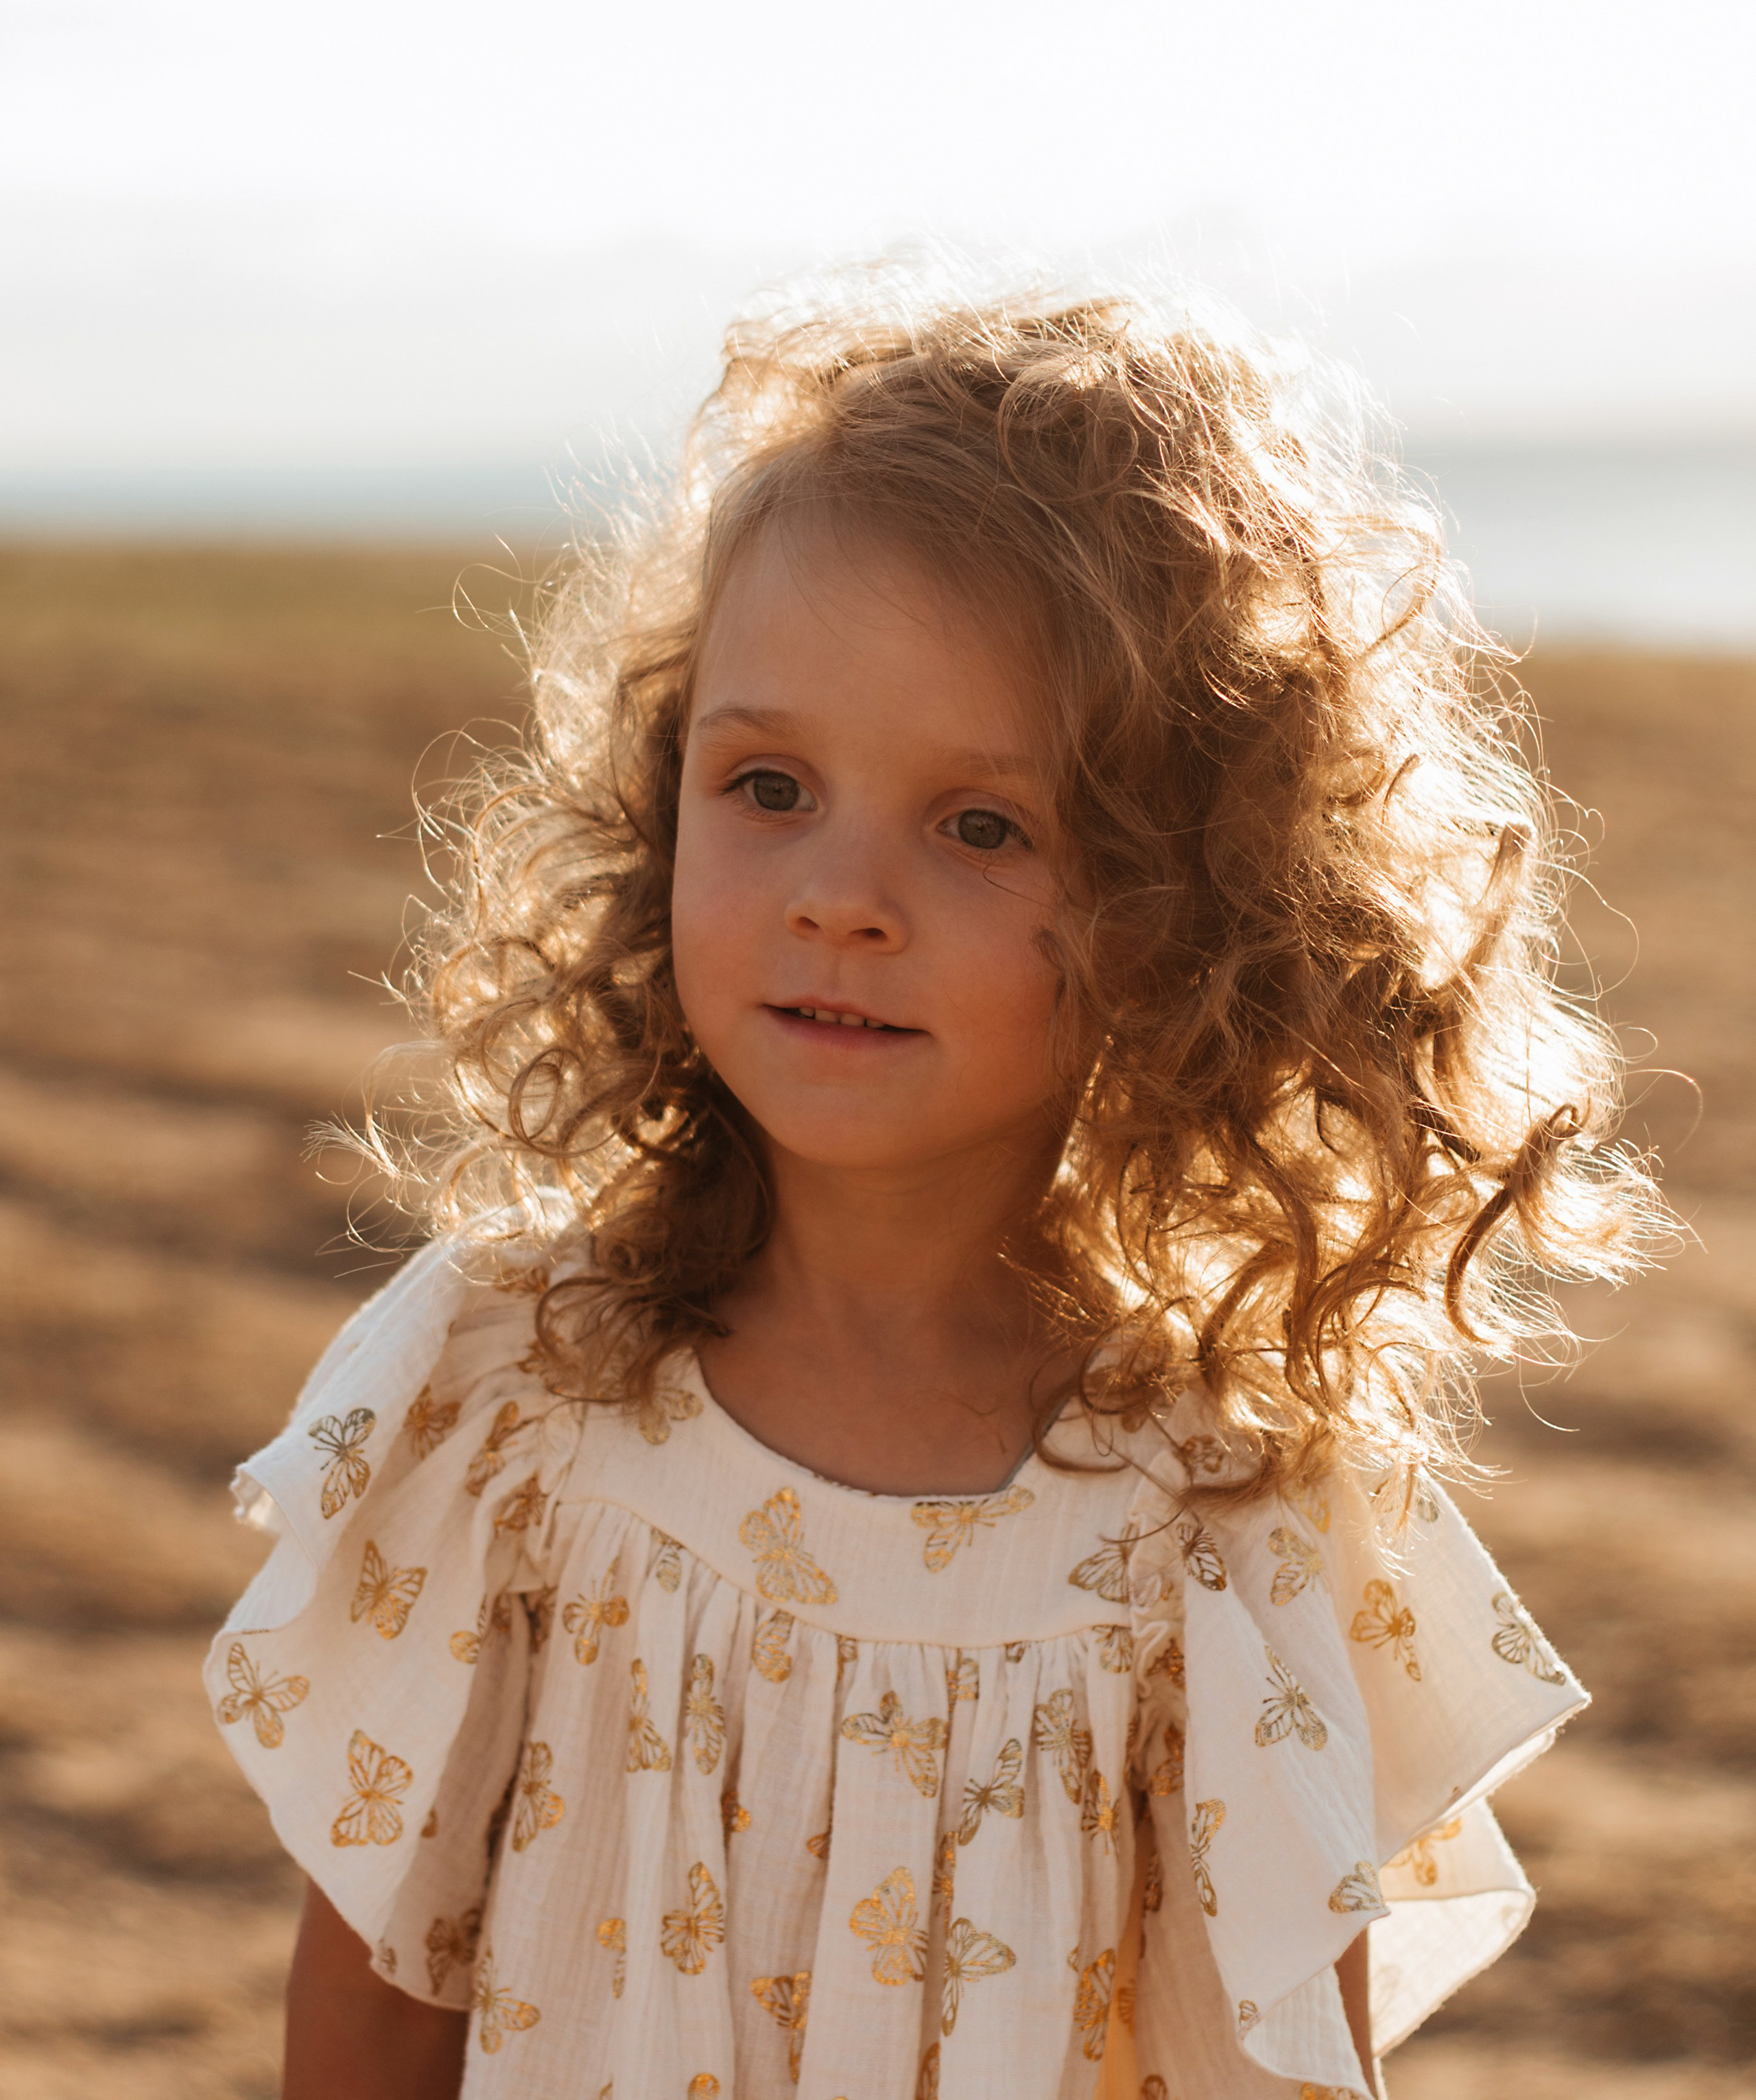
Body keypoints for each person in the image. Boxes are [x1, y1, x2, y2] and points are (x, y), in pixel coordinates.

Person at [207, 271, 1659, 2098]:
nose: (841, 895)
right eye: (766, 785)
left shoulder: (1220, 1521)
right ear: (659, 805)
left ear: (1179, 914)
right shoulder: (510, 1403)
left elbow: (1287, 2052)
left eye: (981, 825)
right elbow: (383, 1981)